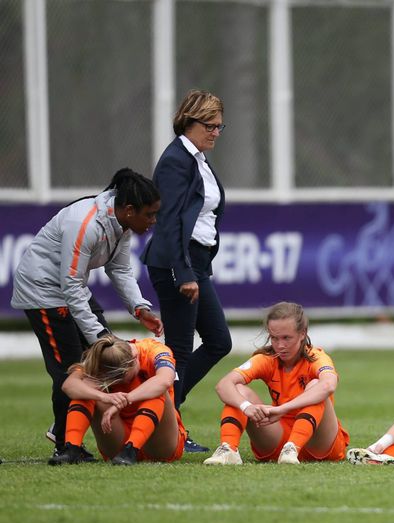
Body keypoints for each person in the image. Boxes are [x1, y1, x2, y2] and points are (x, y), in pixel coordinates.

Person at [10, 168, 164, 463]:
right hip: (42, 290)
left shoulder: (123, 224)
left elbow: (118, 269)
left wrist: (139, 307)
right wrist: (100, 337)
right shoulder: (86, 224)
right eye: (150, 214)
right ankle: (66, 445)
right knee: (71, 368)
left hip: (70, 288)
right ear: (130, 210)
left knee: (105, 359)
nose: (153, 221)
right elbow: (70, 284)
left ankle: (66, 427)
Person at [141, 89, 232, 452]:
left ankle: (167, 409)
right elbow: (171, 221)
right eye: (209, 125)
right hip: (178, 262)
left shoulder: (197, 158)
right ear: (187, 122)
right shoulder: (176, 160)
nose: (214, 132)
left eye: (220, 126)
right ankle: (168, 425)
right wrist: (185, 272)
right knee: (177, 349)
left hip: (195, 261)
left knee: (218, 341)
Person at [203, 302, 349, 465]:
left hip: (319, 442)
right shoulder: (267, 358)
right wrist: (246, 407)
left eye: (287, 338)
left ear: (302, 334)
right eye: (274, 338)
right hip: (278, 437)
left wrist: (283, 409)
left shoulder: (316, 356)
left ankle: (293, 447)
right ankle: (228, 449)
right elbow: (223, 385)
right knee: (239, 391)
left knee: (316, 385)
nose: (280, 345)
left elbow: (328, 385)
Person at [56, 335, 186, 465]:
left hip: (159, 442)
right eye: (111, 378)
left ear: (134, 359)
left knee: (157, 389)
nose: (118, 381)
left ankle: (132, 449)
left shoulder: (155, 350)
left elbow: (164, 380)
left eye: (121, 376)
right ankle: (72, 449)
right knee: (85, 392)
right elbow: (69, 385)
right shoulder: (101, 357)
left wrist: (125, 400)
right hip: (119, 440)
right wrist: (104, 396)